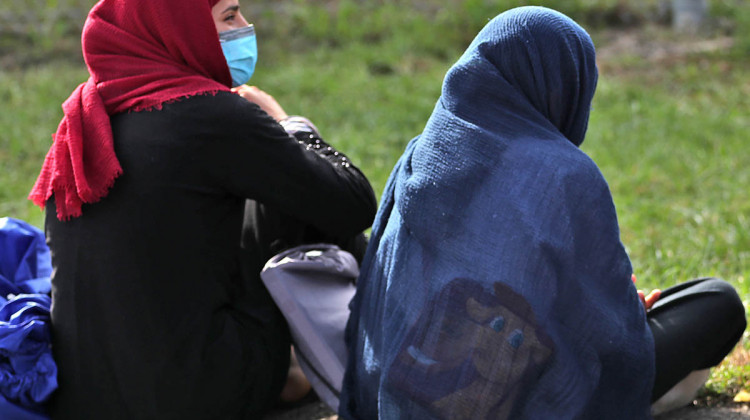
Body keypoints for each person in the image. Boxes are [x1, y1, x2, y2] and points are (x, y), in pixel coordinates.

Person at [339, 6, 746, 419]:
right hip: (514, 397)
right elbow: (611, 342)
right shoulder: (563, 175)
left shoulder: (420, 155)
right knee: (718, 303)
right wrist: (623, 313)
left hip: (393, 393)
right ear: (567, 87)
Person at [27, 0, 376, 418]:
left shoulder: (84, 120)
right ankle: (387, 360)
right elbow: (352, 203)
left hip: (88, 399)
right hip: (197, 397)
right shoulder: (209, 114)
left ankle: (296, 370)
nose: (246, 28)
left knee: (279, 187)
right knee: (306, 199)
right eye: (230, 16)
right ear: (178, 29)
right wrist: (288, 126)